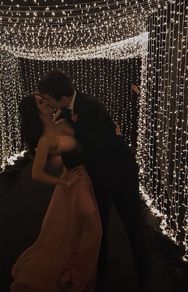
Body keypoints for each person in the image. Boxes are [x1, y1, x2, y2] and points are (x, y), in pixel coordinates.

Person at [36, 69, 151, 291]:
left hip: (120, 176)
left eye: (47, 97)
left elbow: (95, 150)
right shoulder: (68, 110)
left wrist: (63, 159)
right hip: (97, 176)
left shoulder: (90, 107)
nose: (47, 101)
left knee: (133, 226)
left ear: (59, 96)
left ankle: (145, 275)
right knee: (99, 229)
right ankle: (99, 278)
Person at [11, 95, 102, 292]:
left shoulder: (61, 122)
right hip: (76, 183)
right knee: (93, 230)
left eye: (44, 99)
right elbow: (36, 174)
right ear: (36, 113)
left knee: (74, 234)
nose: (46, 102)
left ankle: (74, 272)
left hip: (87, 178)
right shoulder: (45, 139)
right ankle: (77, 278)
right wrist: (64, 181)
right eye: (41, 102)